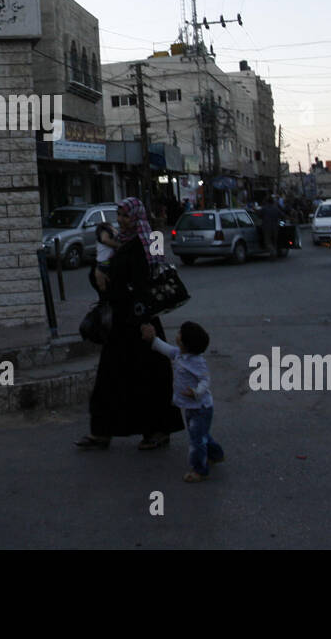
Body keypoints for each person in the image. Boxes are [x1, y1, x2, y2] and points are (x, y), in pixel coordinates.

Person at [75, 197, 184, 451]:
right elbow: (109, 278)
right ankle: (102, 432)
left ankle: (157, 430)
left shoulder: (140, 247)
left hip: (139, 322)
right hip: (120, 323)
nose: (122, 220)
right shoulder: (120, 243)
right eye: (120, 215)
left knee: (148, 379)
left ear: (136, 218)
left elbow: (142, 287)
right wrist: (99, 272)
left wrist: (145, 322)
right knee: (110, 377)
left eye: (126, 216)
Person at [141, 320, 222, 482]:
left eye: (180, 334)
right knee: (201, 435)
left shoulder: (197, 362)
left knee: (196, 439)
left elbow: (205, 381)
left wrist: (197, 392)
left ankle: (199, 470)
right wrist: (153, 339)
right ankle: (216, 454)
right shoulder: (180, 354)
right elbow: (166, 349)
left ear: (186, 343)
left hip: (201, 407)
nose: (176, 335)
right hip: (192, 407)